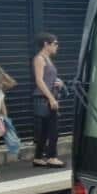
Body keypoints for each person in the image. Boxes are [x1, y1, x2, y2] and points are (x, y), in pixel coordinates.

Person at [33, 32, 65, 168]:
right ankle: (52, 157)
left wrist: (60, 83)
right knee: (53, 128)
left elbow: (49, 78)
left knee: (45, 130)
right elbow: (39, 80)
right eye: (55, 43)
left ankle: (38, 157)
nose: (57, 46)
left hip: (50, 97)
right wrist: (51, 99)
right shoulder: (40, 59)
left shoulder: (48, 58)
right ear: (46, 44)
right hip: (46, 98)